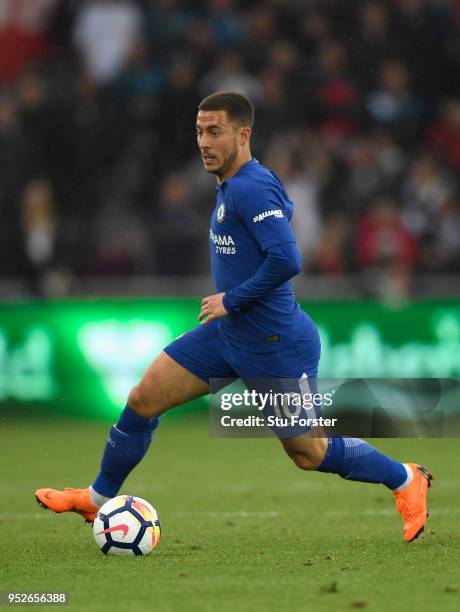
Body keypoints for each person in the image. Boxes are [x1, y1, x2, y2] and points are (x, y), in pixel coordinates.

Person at [36, 92, 432, 542]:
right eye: (200, 132)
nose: (204, 142)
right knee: (143, 399)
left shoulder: (250, 186)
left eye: (215, 132)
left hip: (274, 344)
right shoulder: (237, 184)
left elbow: (287, 259)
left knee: (309, 452)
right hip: (228, 337)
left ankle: (405, 478)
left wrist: (233, 299)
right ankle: (98, 498)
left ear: (243, 135)